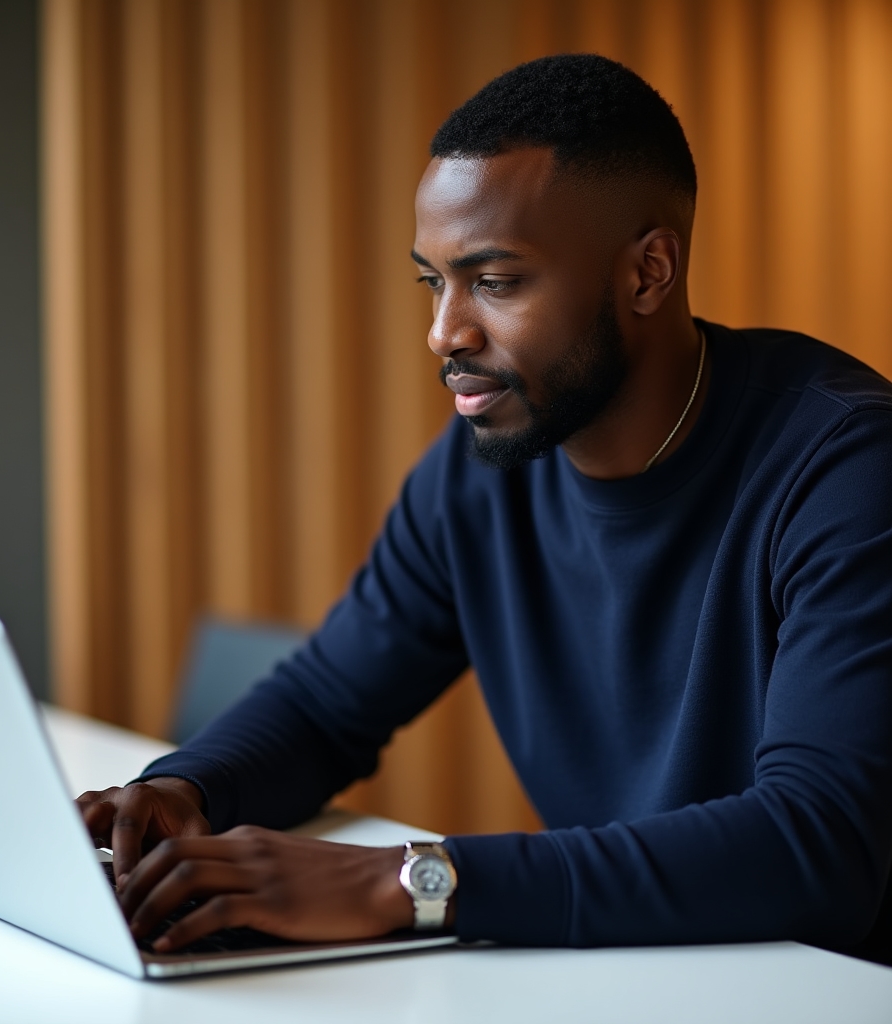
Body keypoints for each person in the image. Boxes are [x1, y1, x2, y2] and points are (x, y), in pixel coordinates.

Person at [77, 53, 892, 960]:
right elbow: (325, 704)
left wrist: (406, 882)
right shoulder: (482, 470)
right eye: (434, 281)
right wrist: (181, 791)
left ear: (649, 272)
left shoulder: (850, 469)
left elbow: (817, 846)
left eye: (495, 283)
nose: (444, 334)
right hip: (636, 975)